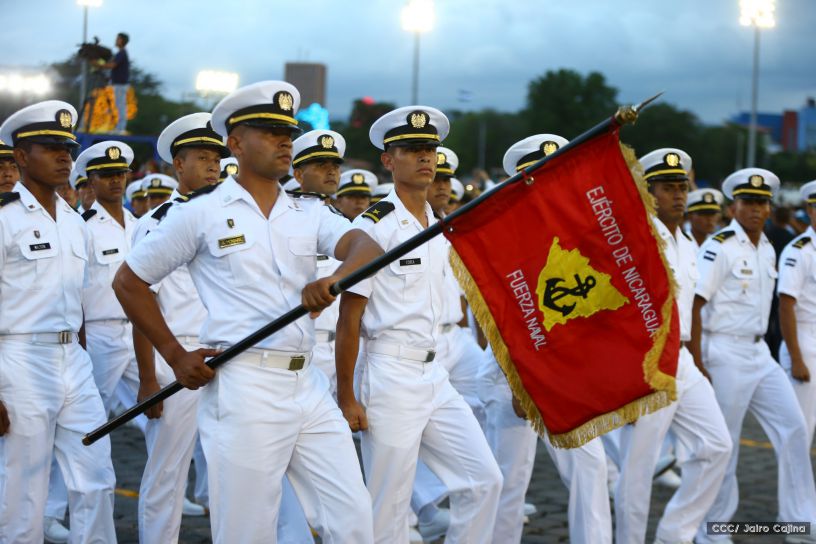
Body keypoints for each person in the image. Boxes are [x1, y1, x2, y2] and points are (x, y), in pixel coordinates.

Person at [113, 80, 380, 543]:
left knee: (353, 518)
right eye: (269, 132)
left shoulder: (307, 210)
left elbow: (365, 244)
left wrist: (333, 279)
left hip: (307, 385)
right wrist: (175, 356)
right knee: (247, 529)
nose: (285, 142)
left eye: (288, 133)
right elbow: (129, 282)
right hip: (245, 386)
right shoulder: (200, 213)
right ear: (235, 142)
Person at [336, 105, 503, 544]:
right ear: (388, 161)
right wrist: (347, 395)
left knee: (484, 480)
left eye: (430, 149)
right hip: (390, 373)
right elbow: (349, 316)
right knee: (388, 506)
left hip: (435, 373)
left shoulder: (440, 225)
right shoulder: (376, 226)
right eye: (412, 150)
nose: (425, 158)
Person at [0, 99, 117, 543]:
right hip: (19, 357)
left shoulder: (74, 221)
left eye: (67, 147)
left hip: (74, 359)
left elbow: (79, 300)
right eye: (50, 147)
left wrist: (81, 353)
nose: (64, 156)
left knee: (97, 475)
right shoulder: (5, 217)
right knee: (22, 484)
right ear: (20, 157)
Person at [692, 168, 816, 544]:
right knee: (723, 443)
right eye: (748, 202)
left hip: (758, 350)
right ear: (733, 207)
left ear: (769, 208)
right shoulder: (720, 246)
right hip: (723, 349)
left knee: (794, 428)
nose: (756, 210)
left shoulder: (766, 247)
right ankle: (713, 527)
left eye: (762, 203)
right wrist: (697, 361)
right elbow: (694, 305)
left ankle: (799, 519)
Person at [614, 148, 731, 544]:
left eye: (682, 186)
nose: (679, 195)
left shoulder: (688, 243)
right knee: (638, 467)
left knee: (717, 445)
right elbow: (620, 311)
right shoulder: (637, 240)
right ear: (649, 193)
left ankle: (674, 534)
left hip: (680, 358)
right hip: (646, 362)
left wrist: (696, 359)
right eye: (668, 188)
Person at [501, 134, 611, 544]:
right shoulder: (506, 232)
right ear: (524, 178)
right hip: (514, 374)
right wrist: (514, 379)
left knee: (591, 466)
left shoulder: (574, 228)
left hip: (564, 374)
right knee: (510, 480)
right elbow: (495, 313)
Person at [134, 112, 228, 543]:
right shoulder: (158, 221)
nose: (213, 166)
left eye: (218, 158)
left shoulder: (230, 216)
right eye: (203, 157)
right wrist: (149, 377)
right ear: (178, 166)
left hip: (230, 354)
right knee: (168, 470)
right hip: (178, 356)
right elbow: (140, 299)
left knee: (235, 467)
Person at [73, 141, 143, 430]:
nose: (115, 180)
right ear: (92, 181)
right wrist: (81, 345)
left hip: (139, 331)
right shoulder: (82, 226)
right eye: (106, 175)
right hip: (99, 333)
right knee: (89, 417)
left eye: (120, 174)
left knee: (165, 401)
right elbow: (73, 289)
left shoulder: (140, 224)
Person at [778, 179, 816, 447]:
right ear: (810, 210)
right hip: (805, 340)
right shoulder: (799, 250)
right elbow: (786, 304)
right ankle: (796, 490)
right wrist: (796, 358)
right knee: (801, 428)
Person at [100, 32, 130, 134]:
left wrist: (99, 65)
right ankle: (118, 127)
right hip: (118, 84)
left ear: (122, 41)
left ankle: (121, 128)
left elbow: (112, 65)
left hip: (121, 84)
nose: (116, 40)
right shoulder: (120, 53)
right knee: (117, 105)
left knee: (120, 105)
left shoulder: (122, 53)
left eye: (118, 39)